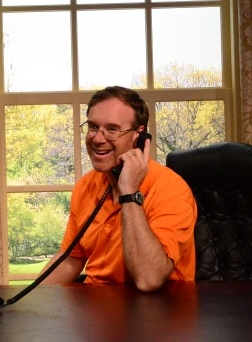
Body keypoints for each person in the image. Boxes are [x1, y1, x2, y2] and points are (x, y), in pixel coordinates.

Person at [40, 86, 196, 291]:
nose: (97, 138)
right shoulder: (86, 185)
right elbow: (71, 258)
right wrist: (26, 304)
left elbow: (149, 279)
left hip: (157, 312)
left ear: (139, 136)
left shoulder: (172, 190)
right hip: (96, 311)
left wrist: (130, 192)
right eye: (93, 127)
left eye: (112, 129)